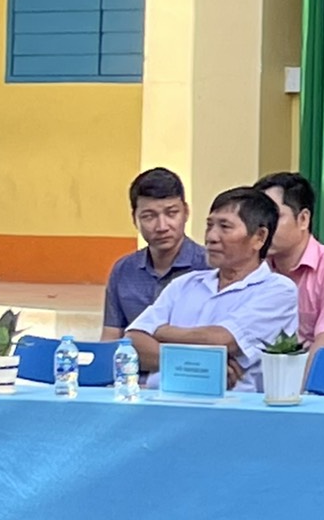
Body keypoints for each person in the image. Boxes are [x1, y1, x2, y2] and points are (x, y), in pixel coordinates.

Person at [124, 186, 302, 389]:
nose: (211, 237)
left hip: (236, 404)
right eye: (209, 226)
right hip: (163, 400)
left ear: (259, 237)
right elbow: (132, 342)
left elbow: (223, 340)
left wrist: (159, 331)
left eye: (225, 227)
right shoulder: (184, 284)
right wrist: (201, 366)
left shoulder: (277, 290)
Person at [254, 170, 324, 351]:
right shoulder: (256, 269)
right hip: (273, 366)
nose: (262, 227)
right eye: (257, 218)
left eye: (273, 216)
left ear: (303, 219)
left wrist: (294, 373)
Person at [100, 166, 208, 336]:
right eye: (149, 216)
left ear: (186, 212)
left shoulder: (210, 267)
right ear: (135, 219)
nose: (162, 227)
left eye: (171, 213)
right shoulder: (123, 270)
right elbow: (111, 337)